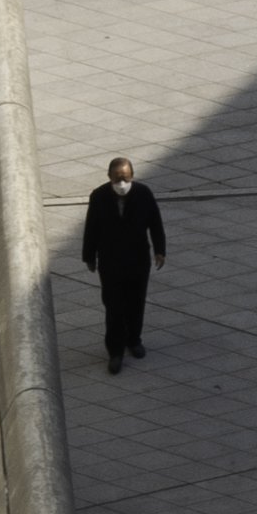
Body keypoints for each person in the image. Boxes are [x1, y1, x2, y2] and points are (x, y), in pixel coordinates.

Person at [81, 157, 166, 372]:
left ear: (132, 177)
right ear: (109, 177)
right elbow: (91, 228)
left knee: (136, 303)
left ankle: (134, 340)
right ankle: (115, 351)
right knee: (114, 307)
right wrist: (89, 257)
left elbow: (155, 223)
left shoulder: (143, 194)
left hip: (137, 261)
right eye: (117, 179)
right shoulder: (99, 197)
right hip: (111, 263)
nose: (122, 184)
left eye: (126, 179)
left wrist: (160, 250)